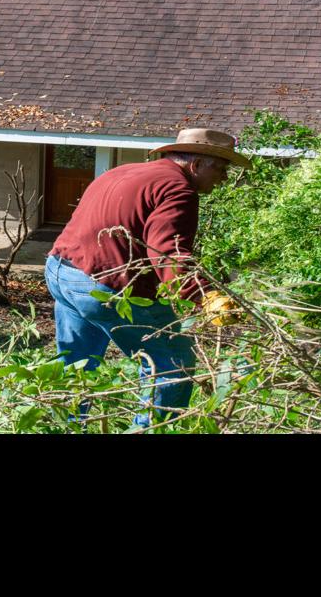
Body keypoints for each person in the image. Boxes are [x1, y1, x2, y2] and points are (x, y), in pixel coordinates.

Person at [44, 127, 247, 426]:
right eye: (221, 168)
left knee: (77, 366)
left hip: (61, 272)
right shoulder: (178, 189)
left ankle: (65, 428)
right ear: (196, 164)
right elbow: (168, 254)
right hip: (105, 286)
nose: (224, 178)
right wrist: (206, 296)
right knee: (173, 364)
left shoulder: (121, 172)